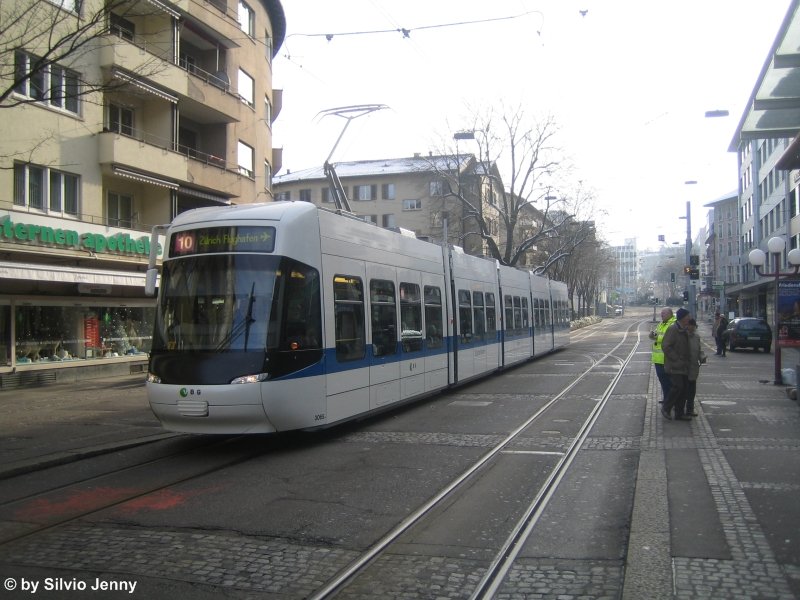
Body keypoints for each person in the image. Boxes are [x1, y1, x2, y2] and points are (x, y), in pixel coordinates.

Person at [661, 308, 692, 421]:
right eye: (688, 316)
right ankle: (666, 407)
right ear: (683, 318)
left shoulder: (684, 329)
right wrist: (676, 359)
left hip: (683, 365)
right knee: (677, 387)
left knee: (683, 389)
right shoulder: (673, 329)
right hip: (674, 365)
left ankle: (679, 413)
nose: (689, 318)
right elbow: (665, 346)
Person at [649, 307, 675, 403]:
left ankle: (670, 399)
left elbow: (669, 338)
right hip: (658, 358)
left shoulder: (672, 324)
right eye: (661, 313)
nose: (661, 315)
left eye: (663, 313)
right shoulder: (661, 323)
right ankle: (666, 398)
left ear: (669, 314)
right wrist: (652, 335)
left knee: (669, 381)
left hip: (667, 358)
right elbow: (657, 334)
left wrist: (656, 337)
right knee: (663, 380)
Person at [685, 318, 706, 417]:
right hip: (684, 368)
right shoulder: (683, 336)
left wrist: (702, 357)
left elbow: (699, 350)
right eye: (690, 326)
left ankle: (690, 409)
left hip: (693, 368)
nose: (692, 328)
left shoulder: (696, 337)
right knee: (683, 390)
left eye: (694, 327)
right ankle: (677, 409)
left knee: (691, 391)